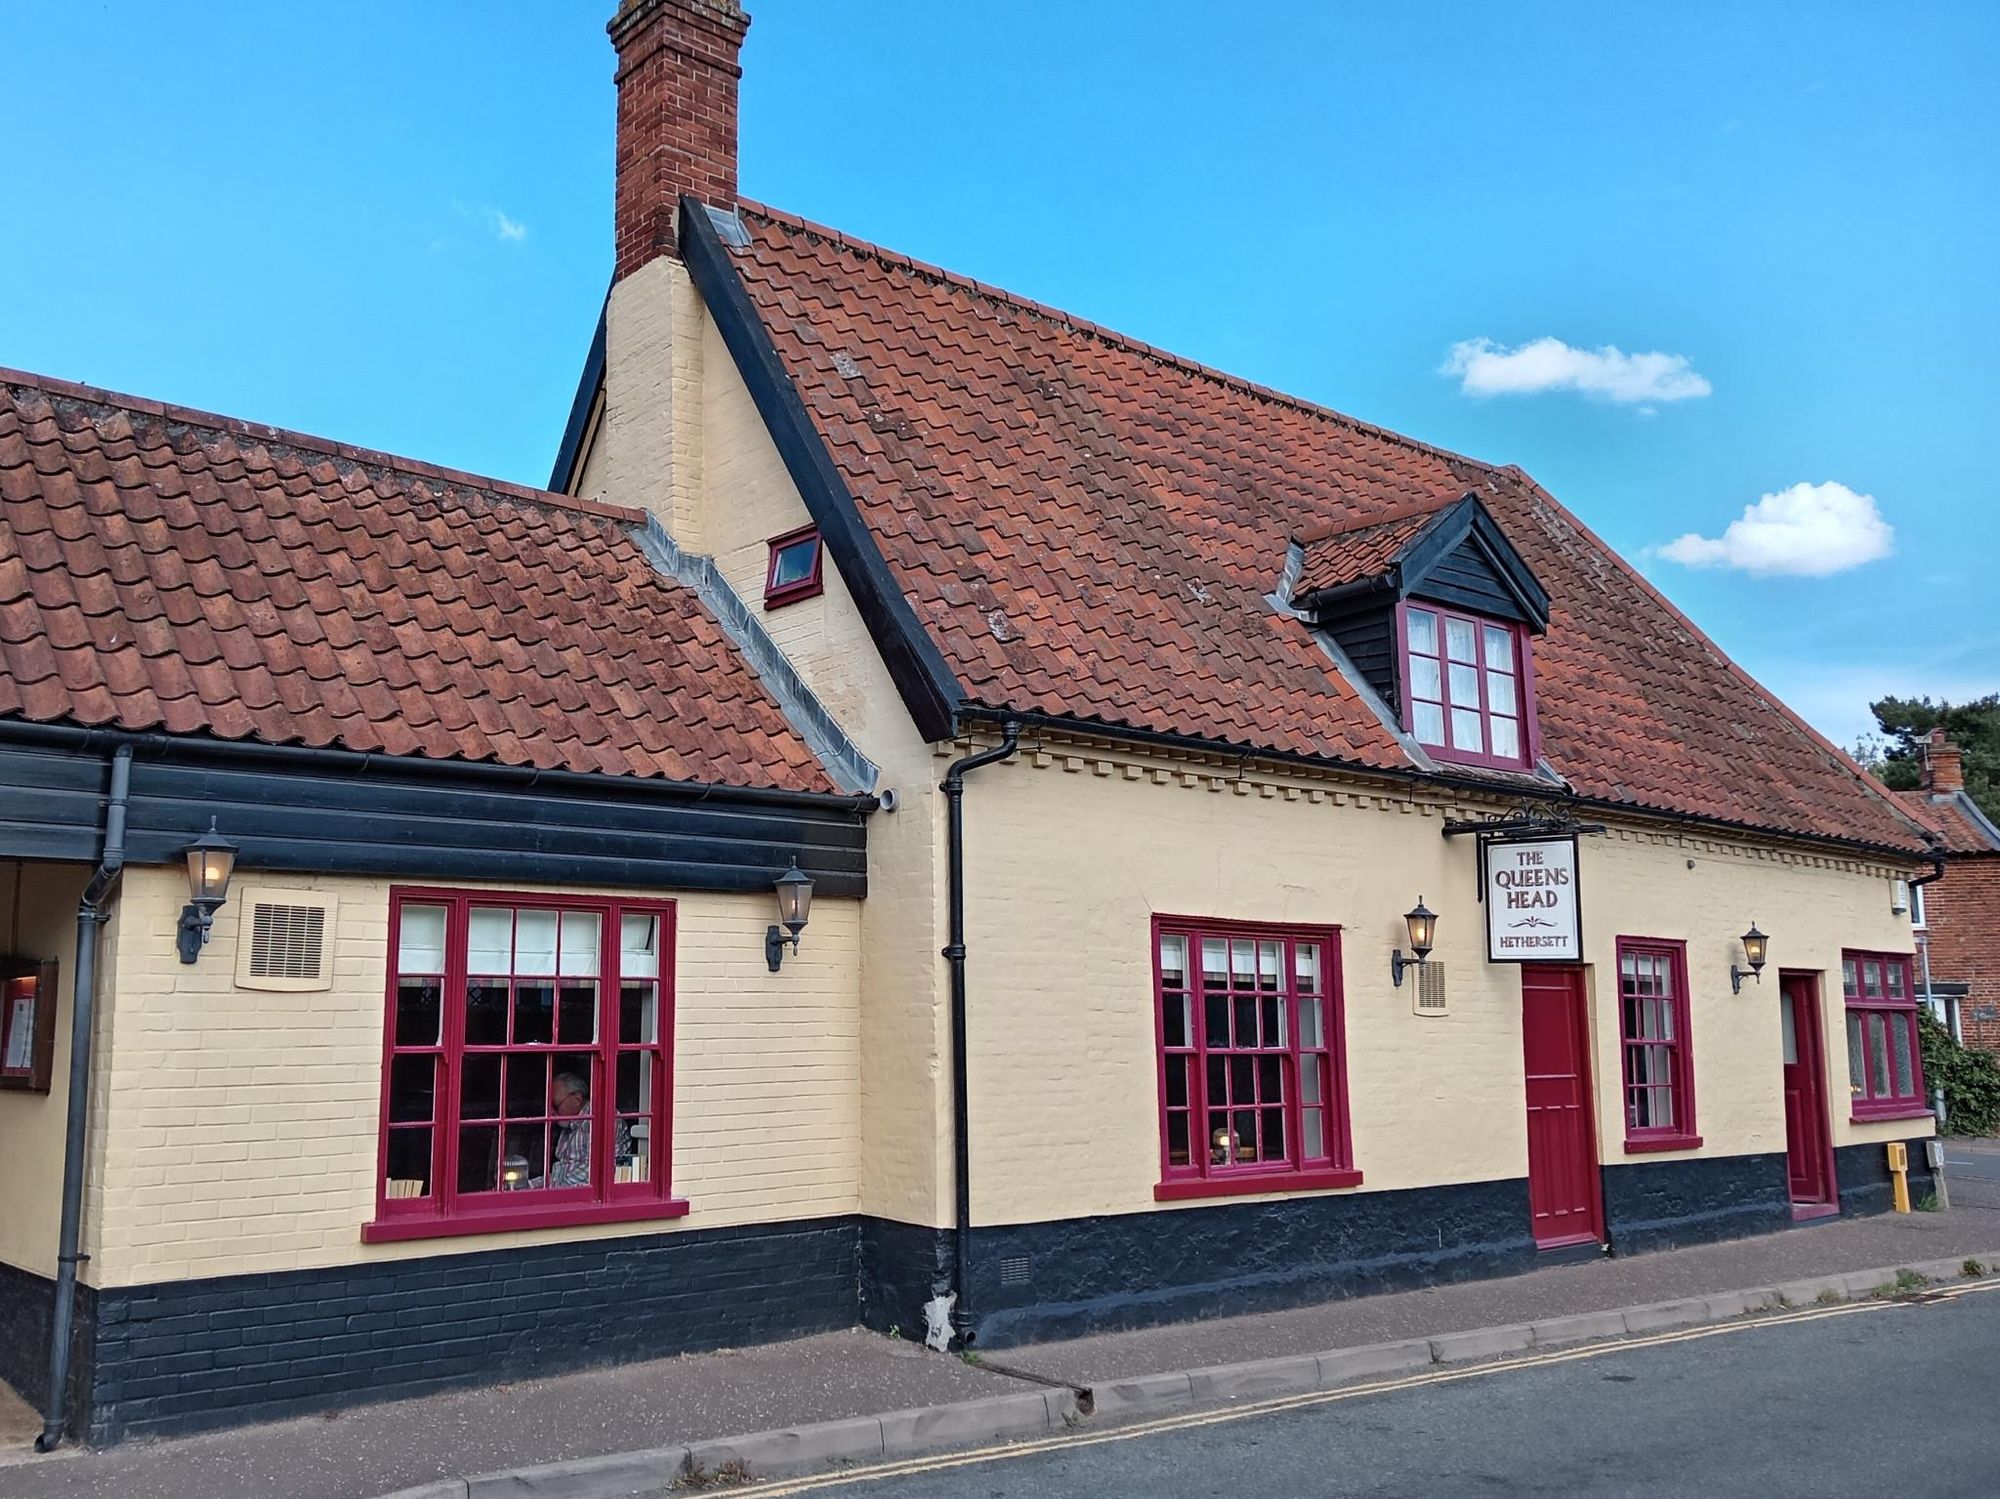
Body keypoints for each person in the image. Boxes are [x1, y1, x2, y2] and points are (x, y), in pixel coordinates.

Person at [547, 1071, 632, 1188]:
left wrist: (548, 1191)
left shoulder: (602, 1120)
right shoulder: (568, 1124)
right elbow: (558, 1173)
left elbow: (596, 1173)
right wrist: (527, 1186)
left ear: (577, 1099)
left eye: (555, 1105)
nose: (551, 1112)